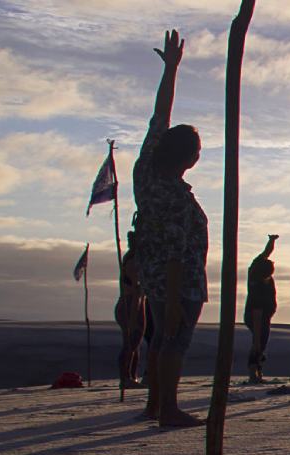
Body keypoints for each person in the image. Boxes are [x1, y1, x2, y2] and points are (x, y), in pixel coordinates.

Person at [133, 30, 209, 427]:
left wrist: (171, 71)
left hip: (153, 275)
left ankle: (155, 403)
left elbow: (159, 117)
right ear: (189, 158)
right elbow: (178, 253)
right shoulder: (173, 196)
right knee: (174, 339)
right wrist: (180, 296)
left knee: (162, 337)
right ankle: (168, 408)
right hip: (177, 279)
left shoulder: (146, 171)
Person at [114, 226, 148, 388]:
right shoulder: (133, 262)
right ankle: (125, 378)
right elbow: (135, 290)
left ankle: (132, 376)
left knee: (136, 343)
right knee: (130, 342)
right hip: (130, 305)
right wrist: (134, 315)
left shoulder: (136, 259)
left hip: (136, 303)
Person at [243, 234, 279, 383]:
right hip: (256, 316)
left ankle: (256, 370)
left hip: (263, 315)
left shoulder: (257, 263)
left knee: (260, 341)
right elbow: (256, 314)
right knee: (259, 342)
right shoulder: (258, 286)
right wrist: (257, 338)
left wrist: (271, 241)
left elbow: (267, 252)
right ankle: (254, 371)